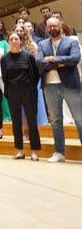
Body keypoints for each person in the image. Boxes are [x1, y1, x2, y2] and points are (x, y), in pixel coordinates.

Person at [36, 17, 82, 163]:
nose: (52, 29)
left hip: (70, 85)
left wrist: (53, 60)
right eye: (49, 27)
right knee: (56, 121)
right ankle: (59, 152)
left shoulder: (72, 41)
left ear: (60, 26)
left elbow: (75, 58)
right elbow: (39, 62)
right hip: (50, 85)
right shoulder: (42, 44)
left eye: (54, 26)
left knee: (80, 119)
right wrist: (61, 63)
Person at [1, 31, 41, 161]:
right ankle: (20, 150)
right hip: (13, 91)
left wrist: (31, 89)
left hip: (27, 91)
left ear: (20, 41)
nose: (13, 41)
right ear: (8, 41)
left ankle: (34, 151)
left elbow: (35, 75)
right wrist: (8, 92)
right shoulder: (4, 58)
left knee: (32, 121)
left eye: (16, 39)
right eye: (11, 39)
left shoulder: (28, 56)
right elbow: (5, 77)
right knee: (16, 122)